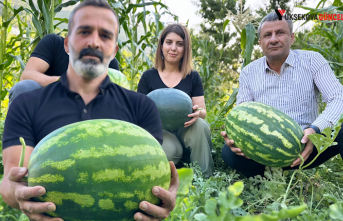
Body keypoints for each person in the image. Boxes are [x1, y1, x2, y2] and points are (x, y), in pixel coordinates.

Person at [0, 1, 179, 221]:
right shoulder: (25, 104)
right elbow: (11, 184)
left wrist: (162, 200)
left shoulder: (142, 107)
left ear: (114, 51)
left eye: (105, 35)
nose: (94, 41)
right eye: (84, 31)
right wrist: (18, 193)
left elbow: (151, 174)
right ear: (66, 43)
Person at [221, 11, 343, 178]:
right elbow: (242, 112)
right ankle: (266, 178)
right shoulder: (249, 72)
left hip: (310, 145)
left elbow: (338, 98)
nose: (273, 39)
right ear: (260, 43)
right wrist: (234, 138)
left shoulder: (313, 60)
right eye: (267, 35)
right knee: (228, 153)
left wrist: (315, 130)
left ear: (291, 38)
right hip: (265, 151)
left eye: (280, 32)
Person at [137, 24, 214, 178]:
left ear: (185, 49)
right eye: (169, 42)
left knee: (201, 125)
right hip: (160, 134)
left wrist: (198, 113)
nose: (173, 48)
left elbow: (203, 111)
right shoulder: (148, 77)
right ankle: (167, 181)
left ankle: (204, 181)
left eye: (179, 44)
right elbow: (139, 114)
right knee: (170, 151)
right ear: (161, 46)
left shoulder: (193, 76)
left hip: (185, 130)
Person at [8, 33, 120, 104]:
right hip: (45, 106)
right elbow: (27, 75)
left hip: (82, 118)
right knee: (25, 87)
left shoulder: (110, 65)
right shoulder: (54, 43)